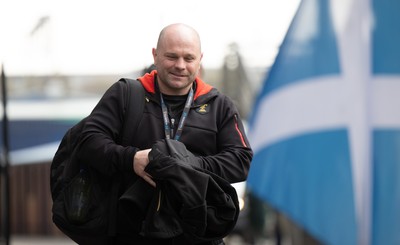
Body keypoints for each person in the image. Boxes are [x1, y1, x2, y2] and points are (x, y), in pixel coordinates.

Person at [76, 23, 253, 245]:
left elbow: (242, 160)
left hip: (198, 234)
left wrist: (187, 165)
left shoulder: (220, 105)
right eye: (172, 56)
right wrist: (131, 159)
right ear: (155, 55)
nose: (180, 65)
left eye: (189, 58)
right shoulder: (125, 94)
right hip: (131, 233)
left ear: (200, 60)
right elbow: (88, 142)